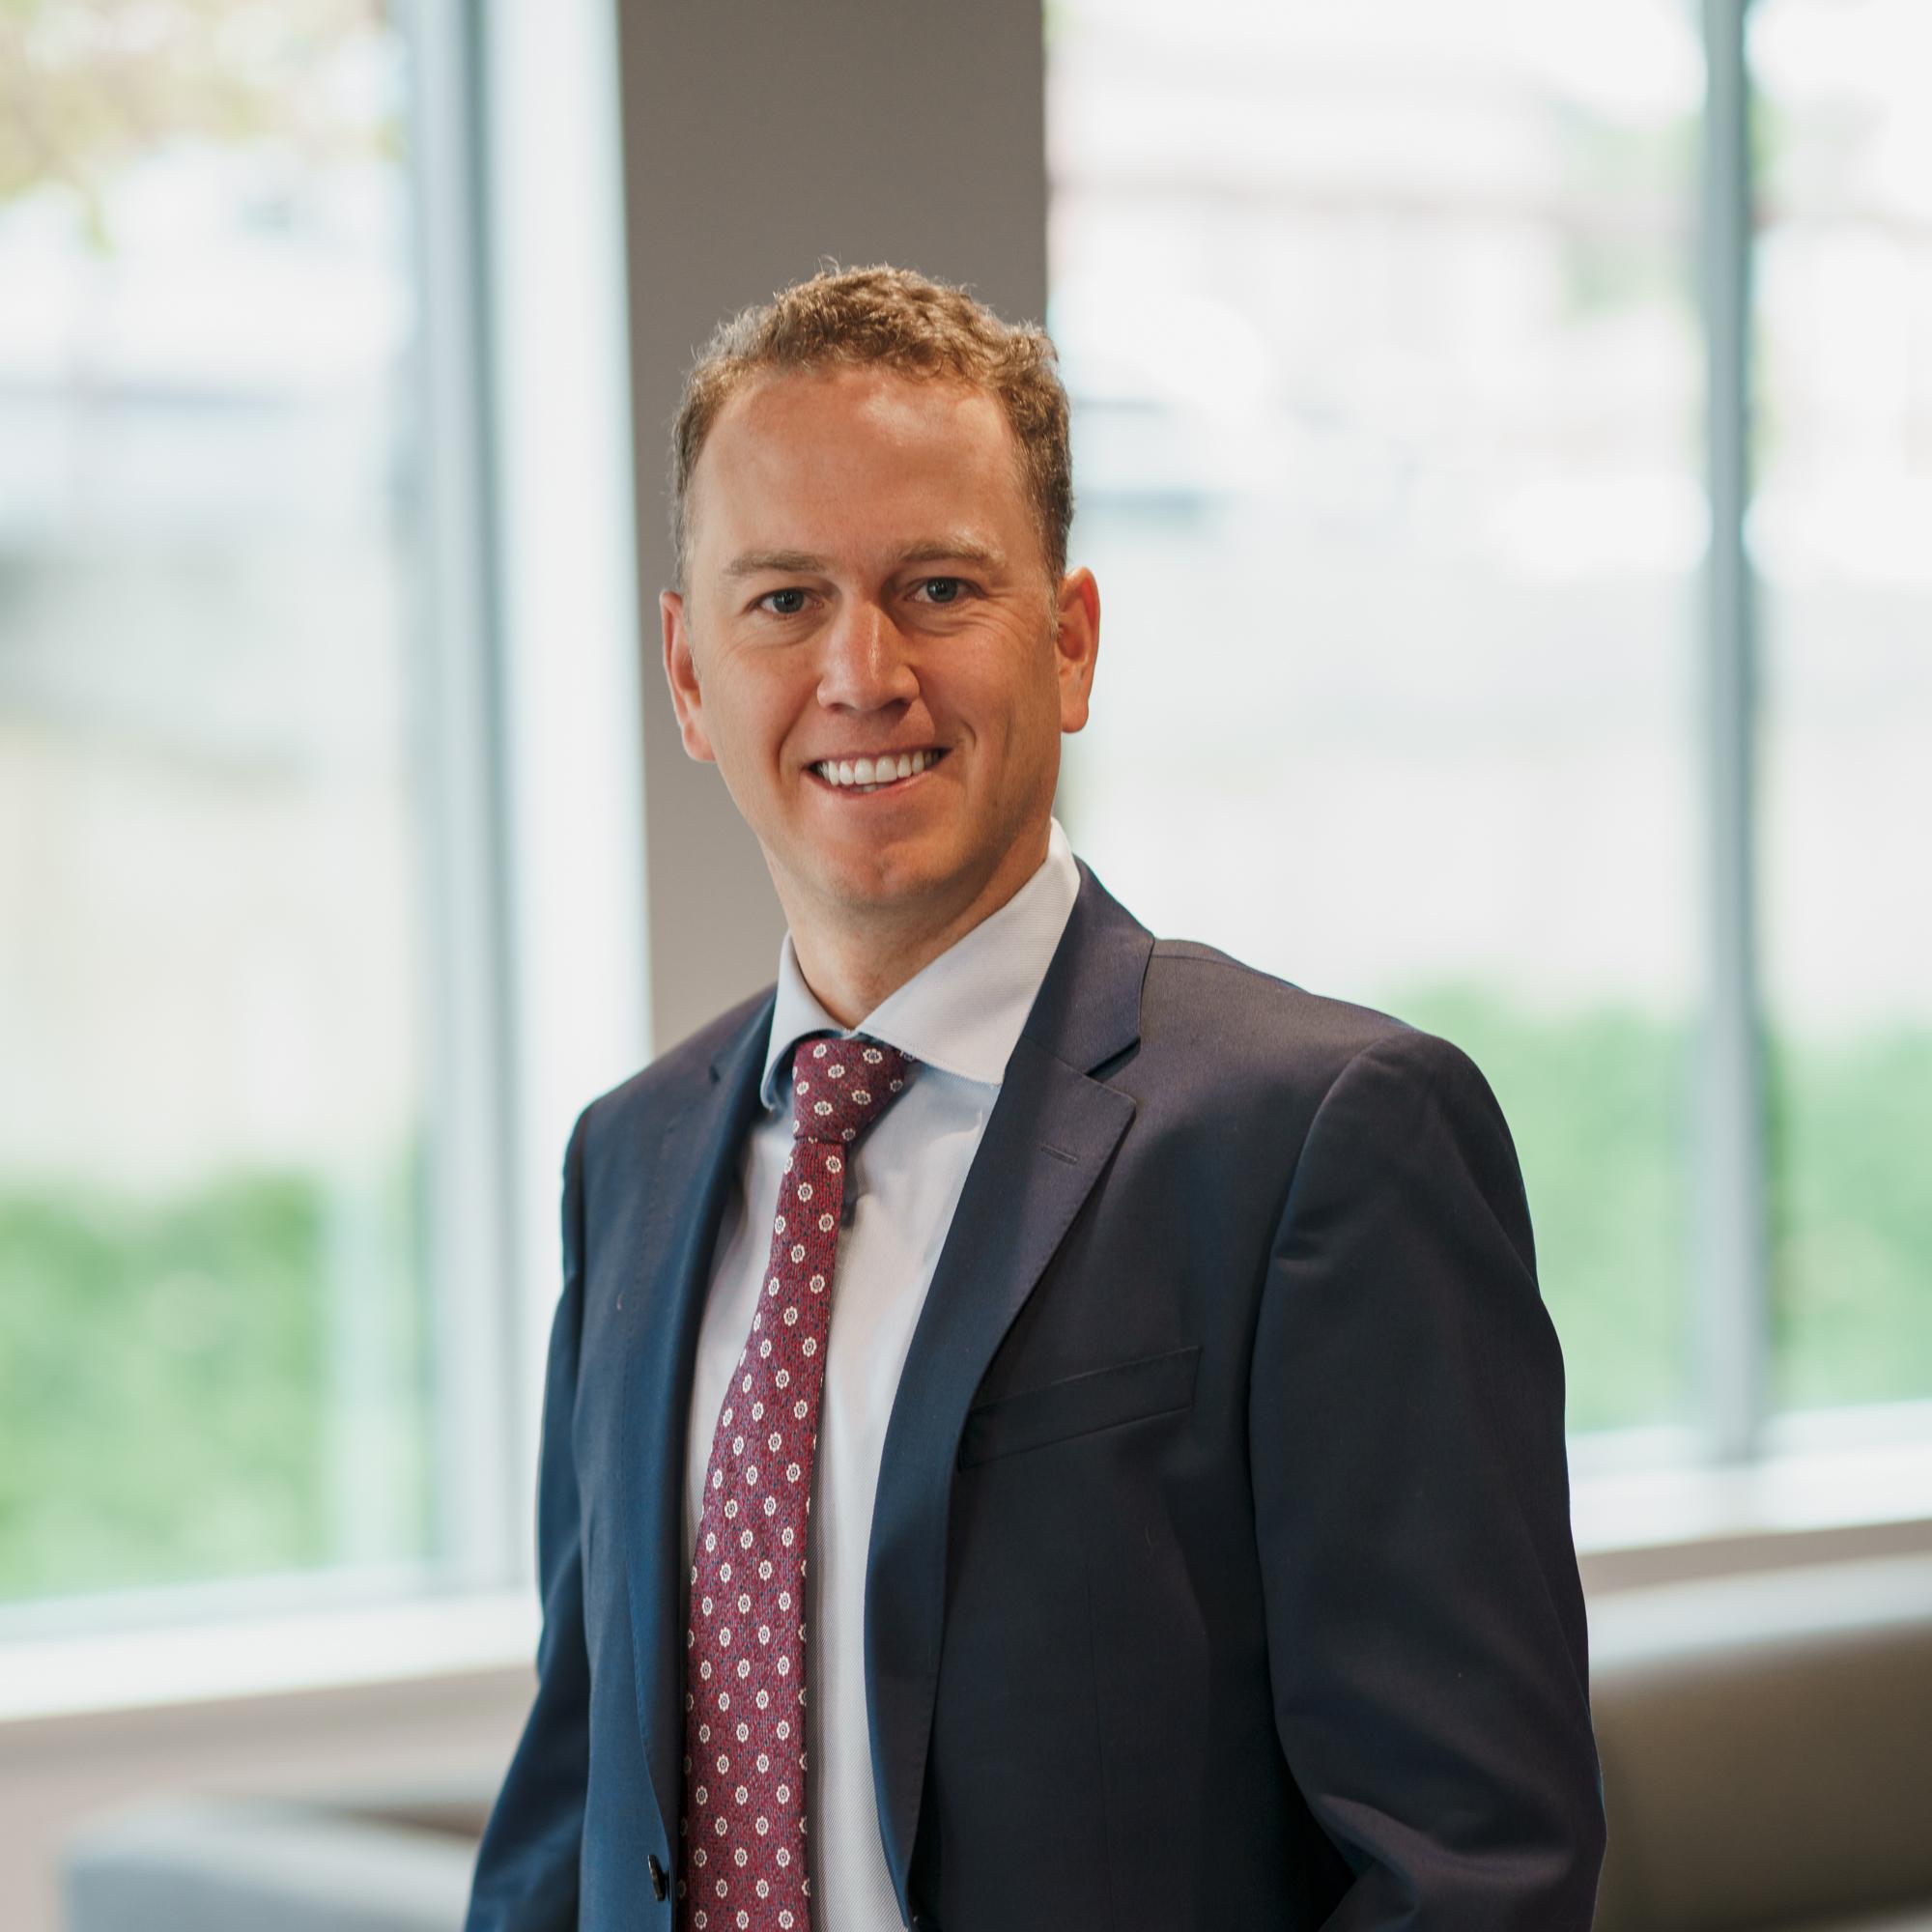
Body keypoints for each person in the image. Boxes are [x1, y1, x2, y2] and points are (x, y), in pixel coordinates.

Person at [465, 263, 1605, 1932]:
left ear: (1067, 641)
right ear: (690, 675)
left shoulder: (1322, 1143)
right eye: (782, 600)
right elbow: (575, 1813)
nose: (863, 670)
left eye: (937, 587)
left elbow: (1473, 1873)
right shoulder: (627, 1160)